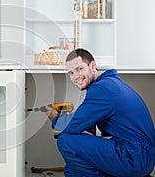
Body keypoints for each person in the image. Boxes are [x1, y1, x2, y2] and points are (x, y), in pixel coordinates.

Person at [46, 48, 155, 176]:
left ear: (92, 65)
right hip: (140, 155)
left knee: (65, 141)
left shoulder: (102, 89)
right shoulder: (110, 84)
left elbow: (69, 127)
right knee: (71, 169)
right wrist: (78, 119)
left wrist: (55, 118)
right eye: (71, 73)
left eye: (79, 69)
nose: (76, 77)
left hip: (134, 156)